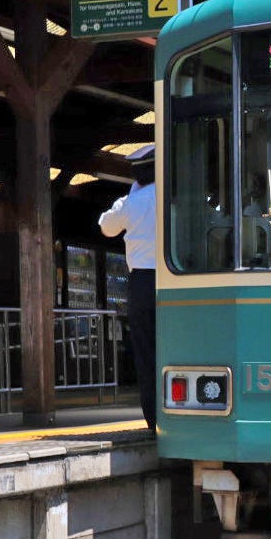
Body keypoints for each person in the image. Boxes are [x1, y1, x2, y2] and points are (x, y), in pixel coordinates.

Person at [100, 160, 157, 430]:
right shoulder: (176, 197)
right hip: (179, 281)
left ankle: (153, 418)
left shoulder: (131, 202)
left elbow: (106, 226)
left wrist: (131, 196)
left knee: (146, 351)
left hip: (143, 281)